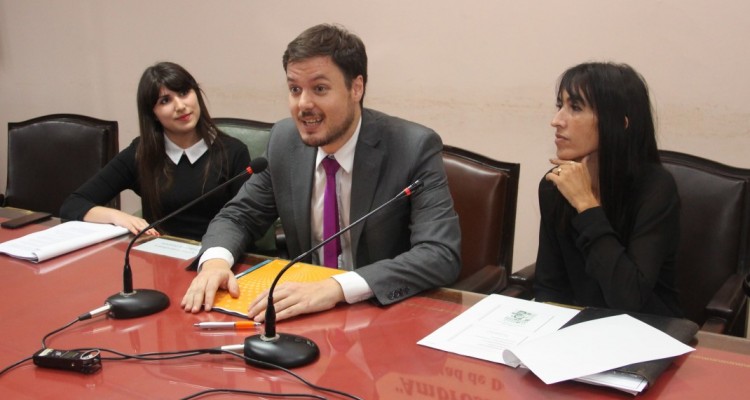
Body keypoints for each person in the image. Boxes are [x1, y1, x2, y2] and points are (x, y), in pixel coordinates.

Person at [181, 23, 461, 322]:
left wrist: (337, 288)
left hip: (381, 315)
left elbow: (439, 254)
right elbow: (240, 215)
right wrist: (215, 262)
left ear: (356, 88)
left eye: (320, 89)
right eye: (294, 89)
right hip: (303, 315)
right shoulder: (284, 142)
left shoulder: (412, 147)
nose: (303, 104)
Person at [534, 62, 682, 317]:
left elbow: (630, 298)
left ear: (620, 123)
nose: (556, 121)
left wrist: (586, 206)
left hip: (647, 332)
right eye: (560, 106)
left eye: (576, 108)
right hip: (578, 334)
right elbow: (550, 288)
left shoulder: (656, 188)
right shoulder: (555, 185)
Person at [60, 62, 251, 241]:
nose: (180, 106)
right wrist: (118, 217)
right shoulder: (142, 152)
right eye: (165, 100)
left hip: (219, 259)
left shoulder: (233, 151)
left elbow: (246, 224)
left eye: (184, 93)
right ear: (153, 114)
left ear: (197, 94)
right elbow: (73, 205)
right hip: (161, 259)